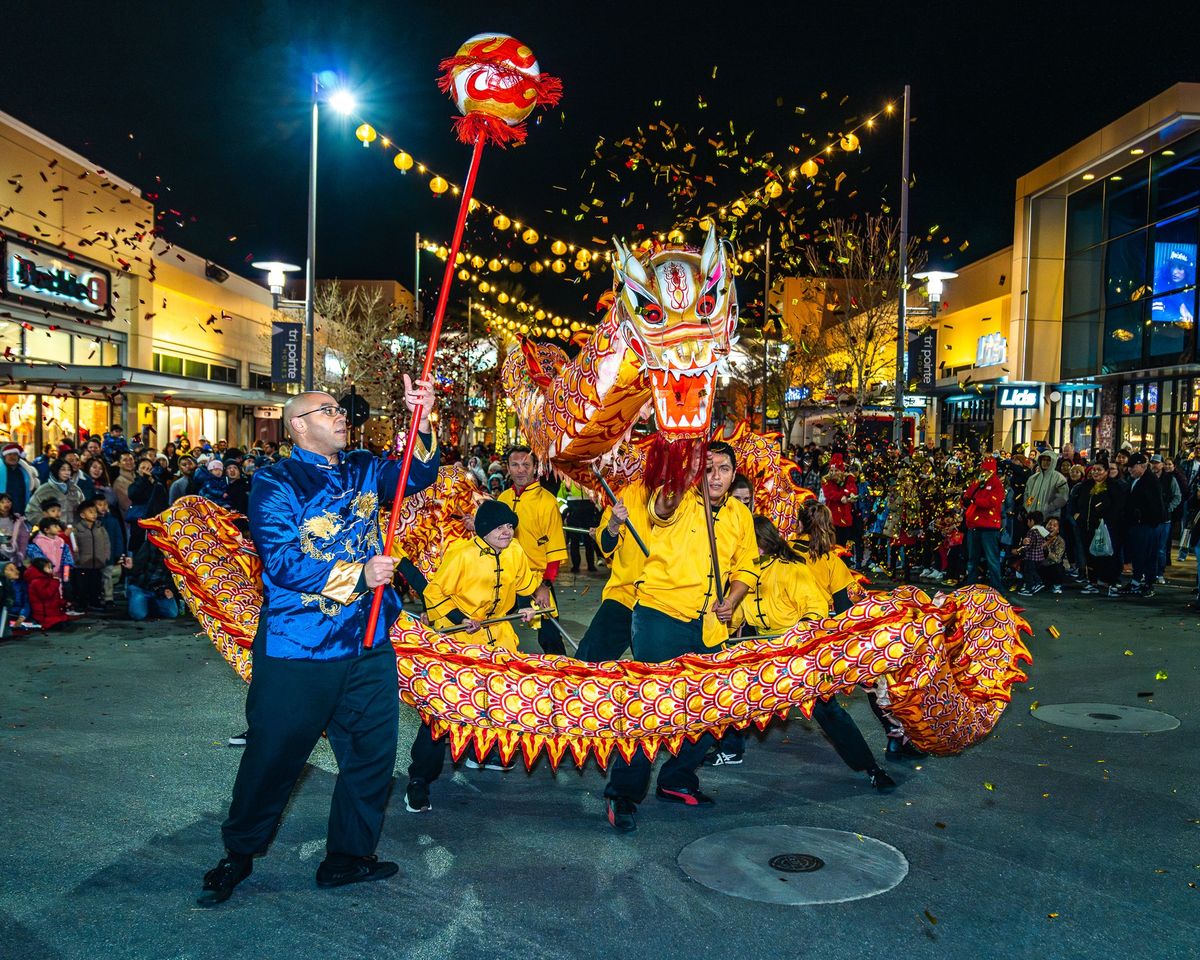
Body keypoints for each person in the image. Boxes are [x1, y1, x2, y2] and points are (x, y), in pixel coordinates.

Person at [198, 378, 439, 907]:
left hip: (368, 641)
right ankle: (238, 853)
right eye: (325, 410)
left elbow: (416, 473)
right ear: (298, 426)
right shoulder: (275, 482)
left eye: (339, 409)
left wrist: (423, 415)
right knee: (274, 756)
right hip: (299, 646)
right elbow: (282, 562)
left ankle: (347, 857)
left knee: (373, 755)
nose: (340, 416)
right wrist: (358, 575)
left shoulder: (362, 467)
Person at [602, 441, 756, 834]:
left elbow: (746, 569)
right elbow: (661, 510)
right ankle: (623, 793)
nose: (716, 476)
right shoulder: (680, 499)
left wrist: (732, 600)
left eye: (723, 469)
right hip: (659, 617)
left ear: (734, 474)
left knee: (712, 709)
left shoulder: (740, 515)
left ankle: (676, 779)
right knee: (648, 708)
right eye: (708, 469)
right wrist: (679, 471)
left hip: (710, 626)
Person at [404, 499, 541, 812]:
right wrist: (459, 619)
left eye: (510, 526)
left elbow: (524, 584)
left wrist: (524, 607)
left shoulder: (515, 550)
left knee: (495, 699)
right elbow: (433, 593)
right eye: (500, 527)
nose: (507, 532)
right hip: (462, 642)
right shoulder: (461, 554)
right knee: (442, 710)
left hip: (500, 638)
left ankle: (481, 751)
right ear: (483, 529)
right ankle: (419, 779)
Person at [497, 447, 567, 655]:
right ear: (508, 468)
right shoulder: (502, 499)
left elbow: (554, 549)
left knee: (550, 637)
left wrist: (546, 585)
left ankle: (561, 675)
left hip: (536, 581)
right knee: (492, 626)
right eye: (515, 465)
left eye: (526, 465)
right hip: (504, 578)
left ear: (535, 468)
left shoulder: (547, 502)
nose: (520, 470)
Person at [574, 481, 651, 664]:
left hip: (665, 603)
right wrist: (614, 524)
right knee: (587, 664)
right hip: (625, 594)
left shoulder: (688, 496)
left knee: (658, 674)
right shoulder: (627, 493)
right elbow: (607, 543)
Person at [1122, 453, 1163, 597]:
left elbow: (1155, 505)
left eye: (1132, 467)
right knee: (1138, 554)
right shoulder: (1136, 480)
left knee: (1148, 555)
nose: (1130, 470)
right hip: (1137, 525)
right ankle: (1136, 581)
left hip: (1147, 525)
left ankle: (1148, 583)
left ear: (1141, 466)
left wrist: (1142, 517)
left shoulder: (1150, 481)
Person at [963, 457, 1005, 591]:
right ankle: (970, 588)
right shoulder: (978, 482)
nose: (984, 472)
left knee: (991, 559)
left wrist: (974, 500)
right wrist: (966, 499)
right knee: (972, 560)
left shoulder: (996, 483)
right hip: (975, 526)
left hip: (989, 527)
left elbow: (991, 502)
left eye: (986, 470)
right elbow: (968, 495)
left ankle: (996, 589)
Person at [71, 499, 110, 612]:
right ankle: (82, 603)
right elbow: (75, 546)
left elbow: (106, 543)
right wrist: (77, 559)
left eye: (94, 512)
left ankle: (95, 602)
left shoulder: (100, 528)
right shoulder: (77, 529)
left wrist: (105, 556)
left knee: (96, 584)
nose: (94, 514)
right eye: (90, 512)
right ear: (82, 515)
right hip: (83, 564)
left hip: (97, 562)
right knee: (82, 585)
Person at [125, 540, 177, 621]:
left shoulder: (177, 553)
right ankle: (140, 601)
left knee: (172, 613)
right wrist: (131, 567)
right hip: (141, 587)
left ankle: (150, 604)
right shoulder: (150, 545)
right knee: (138, 614)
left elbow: (177, 578)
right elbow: (136, 569)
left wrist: (170, 590)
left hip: (159, 590)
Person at [127, 457, 169, 552]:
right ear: (137, 470)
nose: (146, 470)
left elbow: (163, 500)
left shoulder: (157, 484)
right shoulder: (134, 485)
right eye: (143, 468)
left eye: (149, 468)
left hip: (155, 524)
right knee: (138, 551)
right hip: (139, 524)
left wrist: (153, 480)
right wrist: (144, 479)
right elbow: (133, 495)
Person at [26, 459, 85, 527]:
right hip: (52, 534)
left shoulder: (76, 489)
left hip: (73, 533)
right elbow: (30, 512)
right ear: (56, 470)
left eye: (69, 470)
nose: (67, 472)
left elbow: (83, 510)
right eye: (63, 470)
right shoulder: (44, 490)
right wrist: (47, 525)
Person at [560, 478, 601, 574]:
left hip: (589, 517)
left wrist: (597, 511)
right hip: (574, 517)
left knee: (589, 542)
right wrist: (566, 511)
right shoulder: (567, 482)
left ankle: (591, 565)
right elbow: (560, 499)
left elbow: (600, 497)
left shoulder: (591, 482)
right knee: (574, 542)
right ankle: (575, 566)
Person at [93, 496, 125, 608]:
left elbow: (118, 538)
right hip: (94, 556)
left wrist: (118, 553)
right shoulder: (92, 522)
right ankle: (96, 596)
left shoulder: (113, 521)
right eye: (99, 504)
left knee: (107, 576)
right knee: (96, 576)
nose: (103, 507)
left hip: (109, 555)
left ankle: (108, 598)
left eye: (105, 504)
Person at [24, 558, 69, 630]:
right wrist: (55, 582)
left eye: (51, 567)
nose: (51, 569)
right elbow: (46, 595)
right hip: (44, 616)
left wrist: (63, 603)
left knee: (65, 622)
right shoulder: (37, 581)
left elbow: (54, 597)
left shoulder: (48, 579)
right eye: (48, 567)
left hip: (52, 613)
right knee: (60, 625)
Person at [1025, 452, 1068, 520]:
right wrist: (1027, 508)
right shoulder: (1033, 479)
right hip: (1033, 517)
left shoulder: (1059, 479)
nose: (1045, 462)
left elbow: (1063, 497)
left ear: (1053, 462)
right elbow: (1030, 496)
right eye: (1044, 460)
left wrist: (1048, 508)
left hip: (1050, 518)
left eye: (1048, 460)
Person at [1, 443, 38, 517]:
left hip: (21, 512)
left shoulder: (25, 471)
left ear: (19, 456)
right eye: (9, 454)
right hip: (3, 514)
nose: (12, 457)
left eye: (15, 454)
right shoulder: (1, 471)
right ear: (4, 456)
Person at [0, 493, 30, 566]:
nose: (6, 504)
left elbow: (24, 537)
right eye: (2, 502)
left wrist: (21, 554)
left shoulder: (17, 519)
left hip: (14, 557)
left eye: (8, 502)